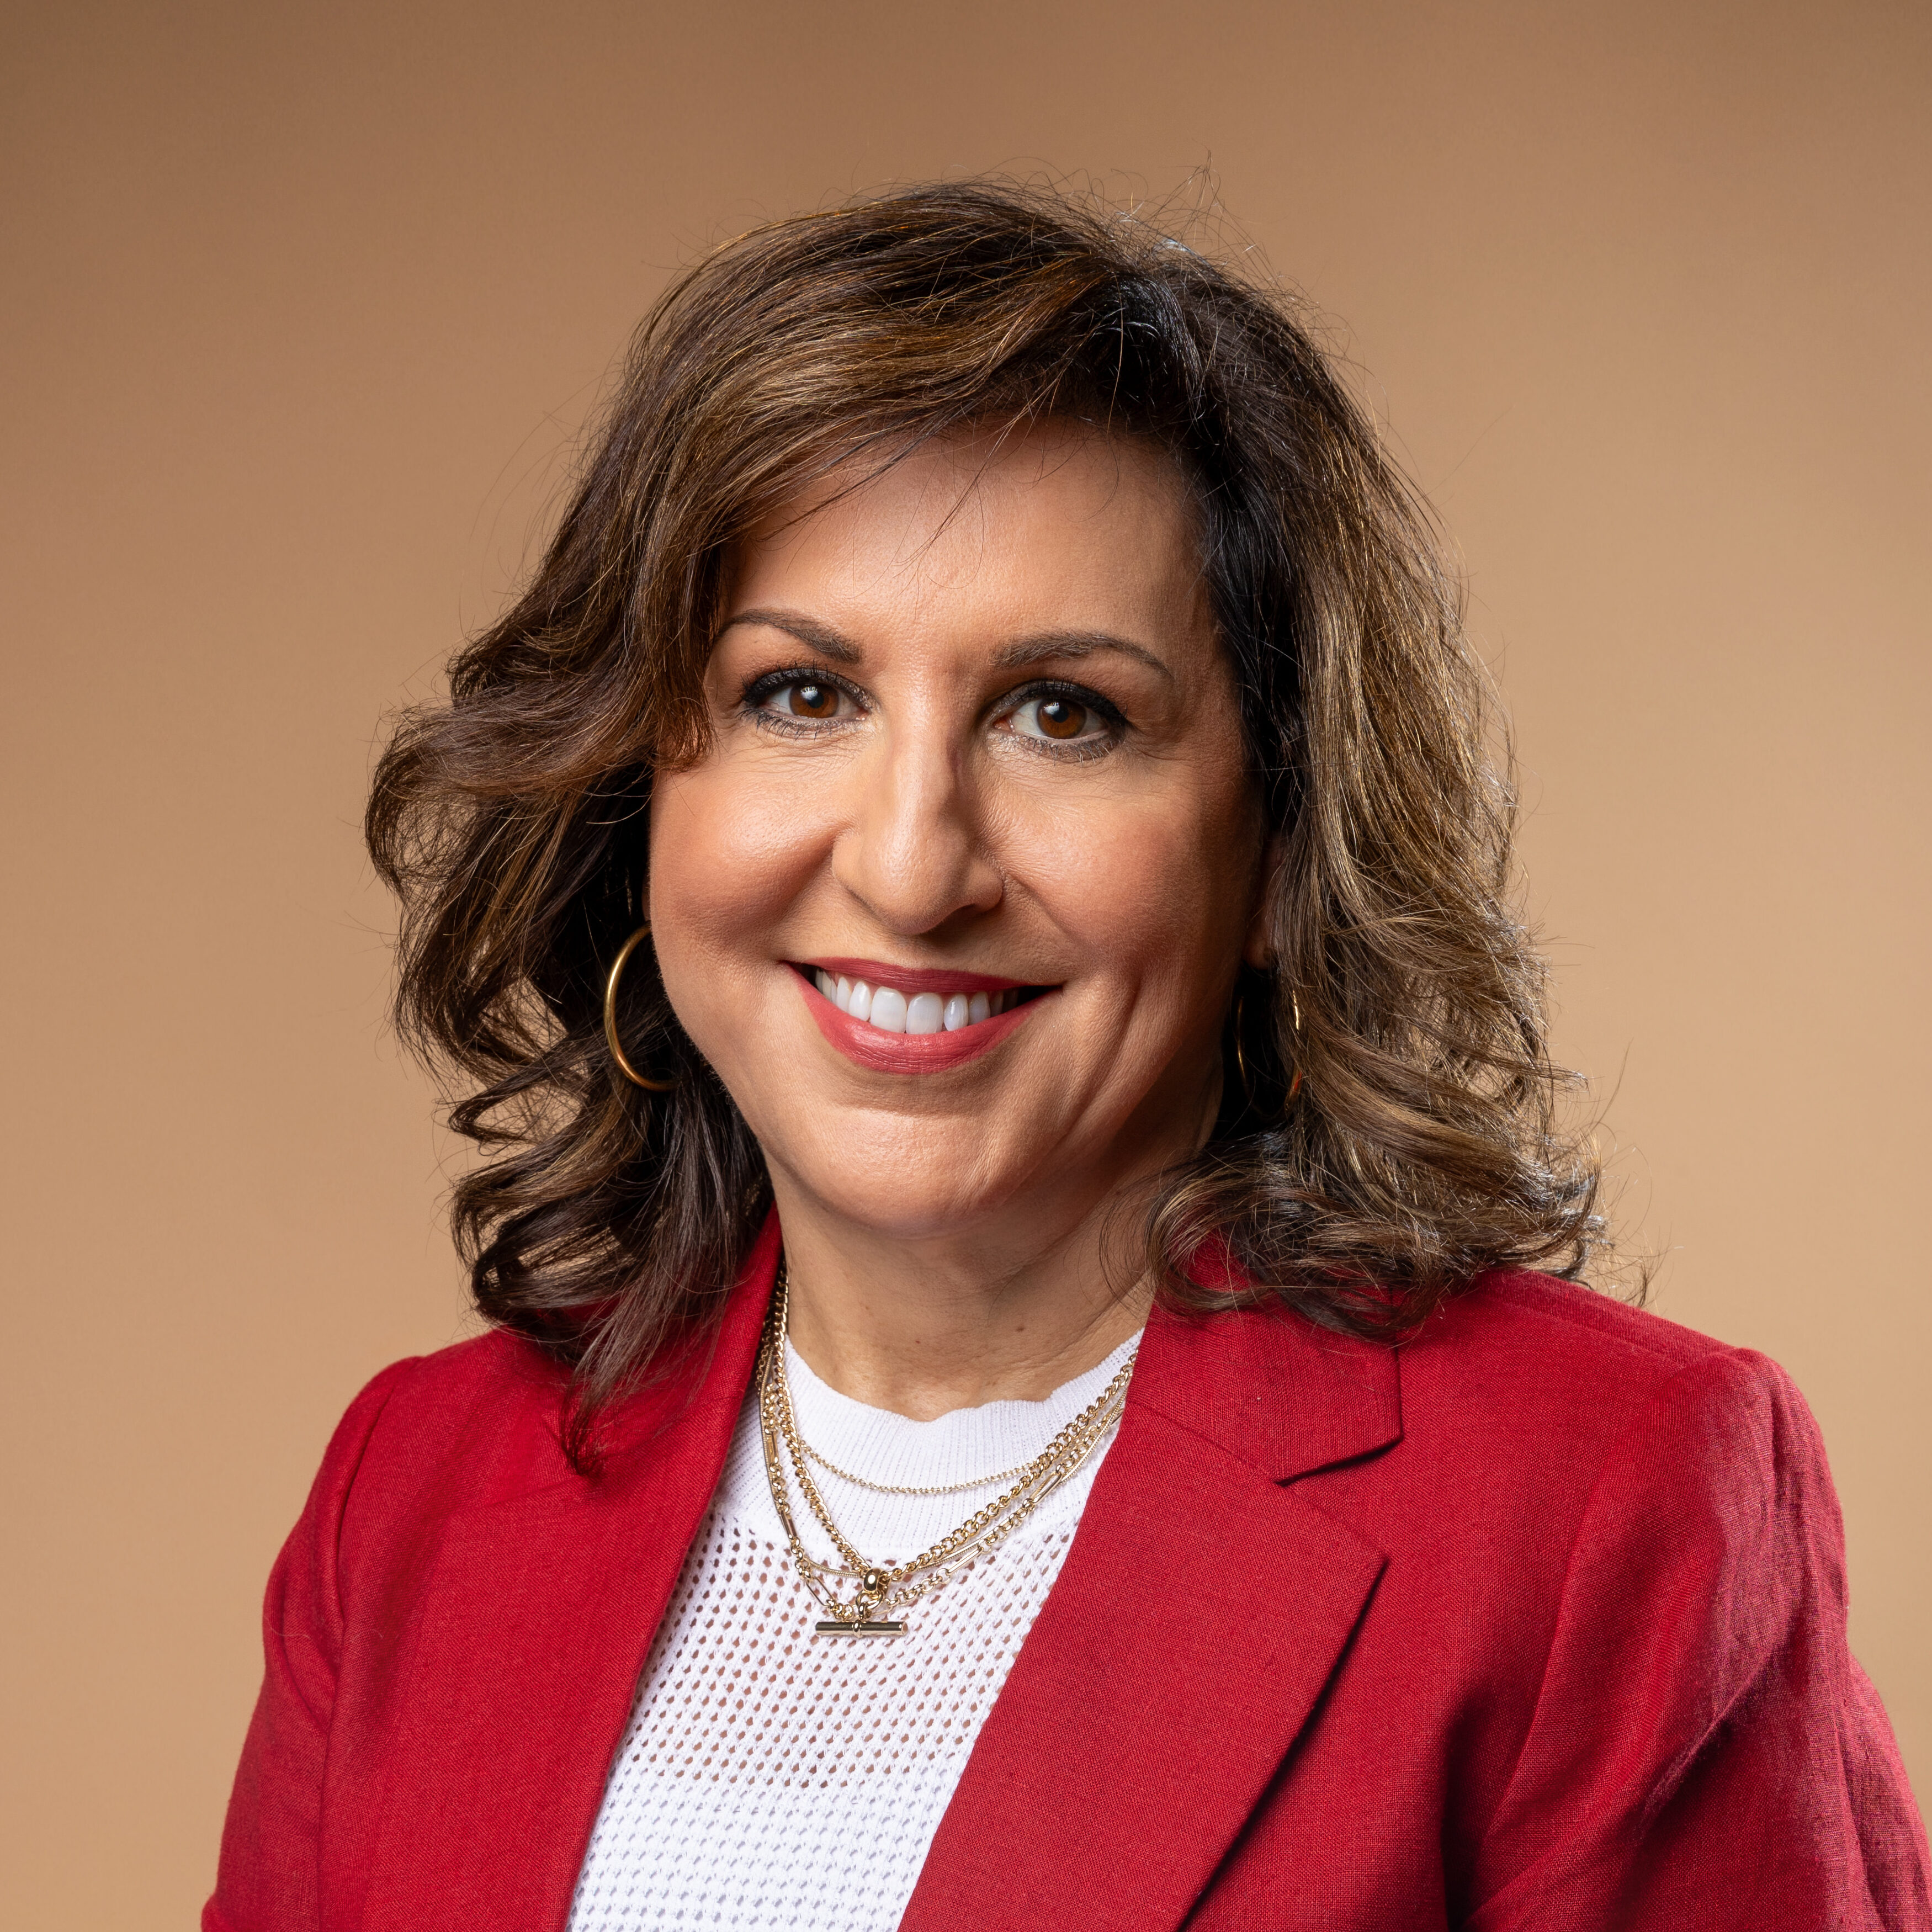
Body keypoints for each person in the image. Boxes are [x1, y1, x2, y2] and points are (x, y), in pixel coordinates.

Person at [205, 182, 1929, 1932]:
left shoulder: (1597, 1502)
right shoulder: (411, 1490)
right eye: (802, 694)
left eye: (1064, 714)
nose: (909, 862)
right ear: (641, 783)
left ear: (1275, 849)